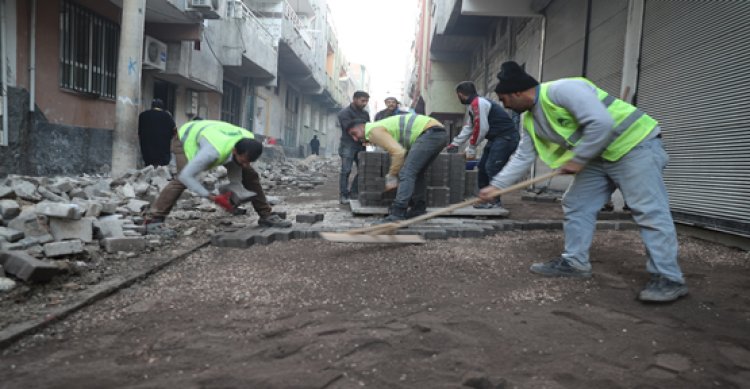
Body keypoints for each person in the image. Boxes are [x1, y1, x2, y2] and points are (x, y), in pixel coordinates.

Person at [479, 61, 686, 303]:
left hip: (635, 145)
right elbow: (522, 157)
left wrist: (578, 159)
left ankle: (669, 278)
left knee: (649, 211)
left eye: (504, 99)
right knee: (576, 203)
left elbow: (602, 123)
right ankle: (575, 262)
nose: (504, 105)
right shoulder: (531, 121)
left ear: (517, 92)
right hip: (599, 155)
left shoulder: (563, 90)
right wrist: (497, 186)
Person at [146, 118, 291, 229]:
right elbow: (186, 176)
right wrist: (212, 197)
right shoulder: (212, 152)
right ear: (235, 151)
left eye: (250, 161)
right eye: (245, 160)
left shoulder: (247, 140)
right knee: (181, 180)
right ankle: (154, 220)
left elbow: (238, 165)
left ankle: (265, 215)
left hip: (215, 135)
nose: (246, 163)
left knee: (250, 174)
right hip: (186, 135)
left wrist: (236, 187)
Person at [347, 113, 448, 222]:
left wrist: (392, 176)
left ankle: (398, 213)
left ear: (362, 126)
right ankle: (418, 208)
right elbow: (400, 151)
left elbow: (399, 153)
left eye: (354, 133)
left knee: (406, 173)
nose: (355, 139)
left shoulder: (372, 131)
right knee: (416, 173)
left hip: (430, 133)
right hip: (438, 133)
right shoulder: (379, 128)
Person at [446, 81, 519, 209]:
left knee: (491, 167)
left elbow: (481, 128)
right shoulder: (473, 106)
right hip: (496, 138)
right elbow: (469, 127)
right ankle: (485, 199)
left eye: (458, 95)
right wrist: (455, 143)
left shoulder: (478, 103)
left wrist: (472, 147)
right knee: (483, 167)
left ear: (460, 94)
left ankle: (494, 201)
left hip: (506, 137)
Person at [337, 91, 371, 204]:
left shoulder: (365, 114)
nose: (365, 103)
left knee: (363, 170)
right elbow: (349, 127)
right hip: (348, 144)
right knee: (346, 171)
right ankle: (343, 195)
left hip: (361, 145)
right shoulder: (344, 113)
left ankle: (353, 193)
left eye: (366, 101)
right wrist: (359, 124)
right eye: (362, 100)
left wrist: (367, 144)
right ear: (355, 99)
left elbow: (368, 129)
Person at [138, 98, 176, 167]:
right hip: (162, 151)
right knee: (161, 168)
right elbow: (174, 131)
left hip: (147, 150)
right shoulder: (167, 116)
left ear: (152, 106)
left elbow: (139, 131)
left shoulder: (143, 115)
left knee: (148, 166)